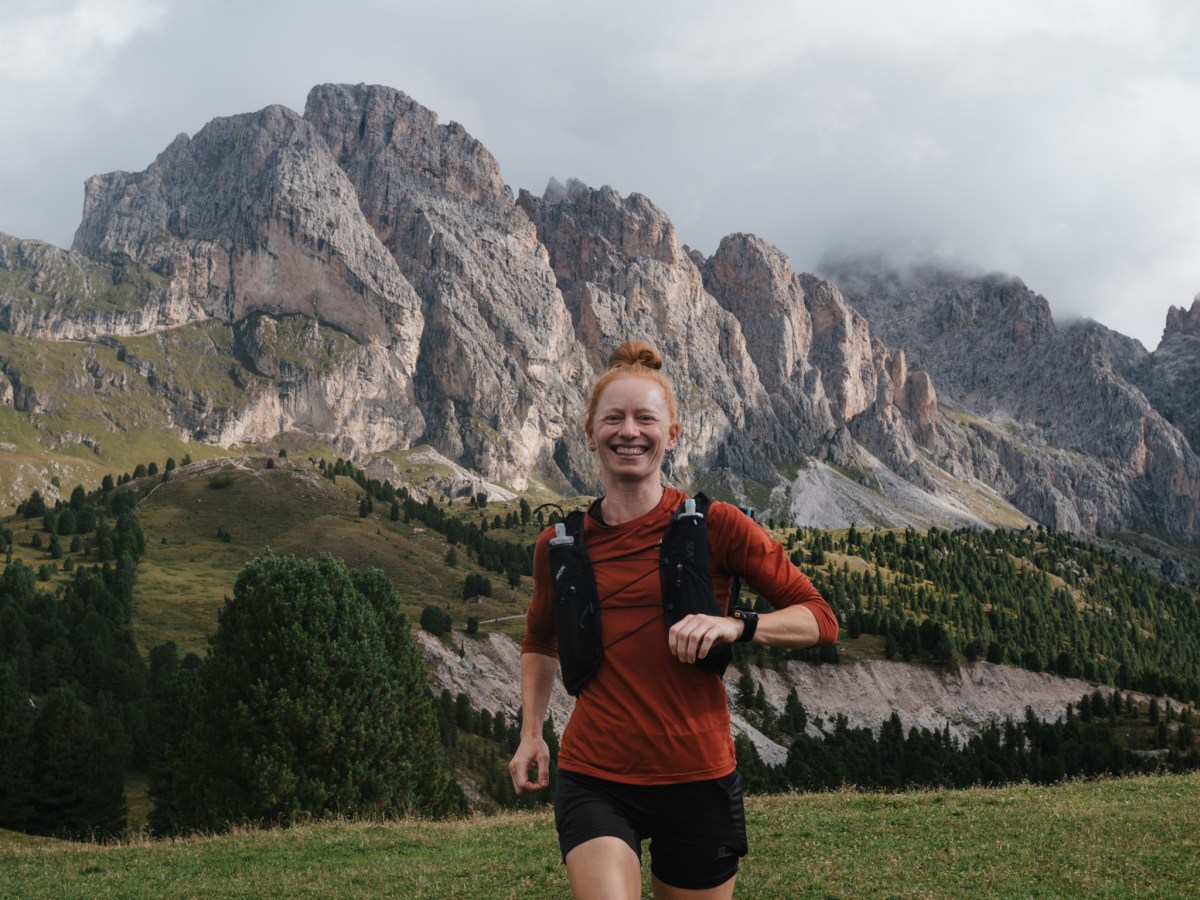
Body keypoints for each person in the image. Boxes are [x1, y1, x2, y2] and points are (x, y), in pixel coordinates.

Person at [508, 340, 838, 899]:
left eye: (645, 418)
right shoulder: (557, 546)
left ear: (673, 434)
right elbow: (541, 639)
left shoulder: (719, 526)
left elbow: (821, 618)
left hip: (699, 777)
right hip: (594, 778)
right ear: (589, 434)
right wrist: (531, 734)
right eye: (613, 418)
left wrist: (737, 625)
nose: (628, 431)